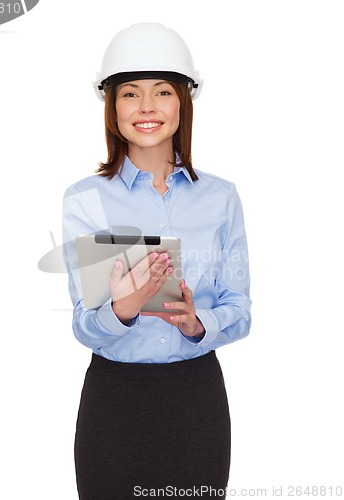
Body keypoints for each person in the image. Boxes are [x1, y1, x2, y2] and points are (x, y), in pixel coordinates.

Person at [62, 22, 251, 500]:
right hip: (114, 403)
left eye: (162, 91)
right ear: (112, 107)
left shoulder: (220, 198)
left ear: (183, 102)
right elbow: (85, 325)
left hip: (195, 402)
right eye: (130, 94)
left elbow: (240, 307)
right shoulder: (85, 199)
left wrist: (196, 322)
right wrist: (123, 308)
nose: (146, 108)